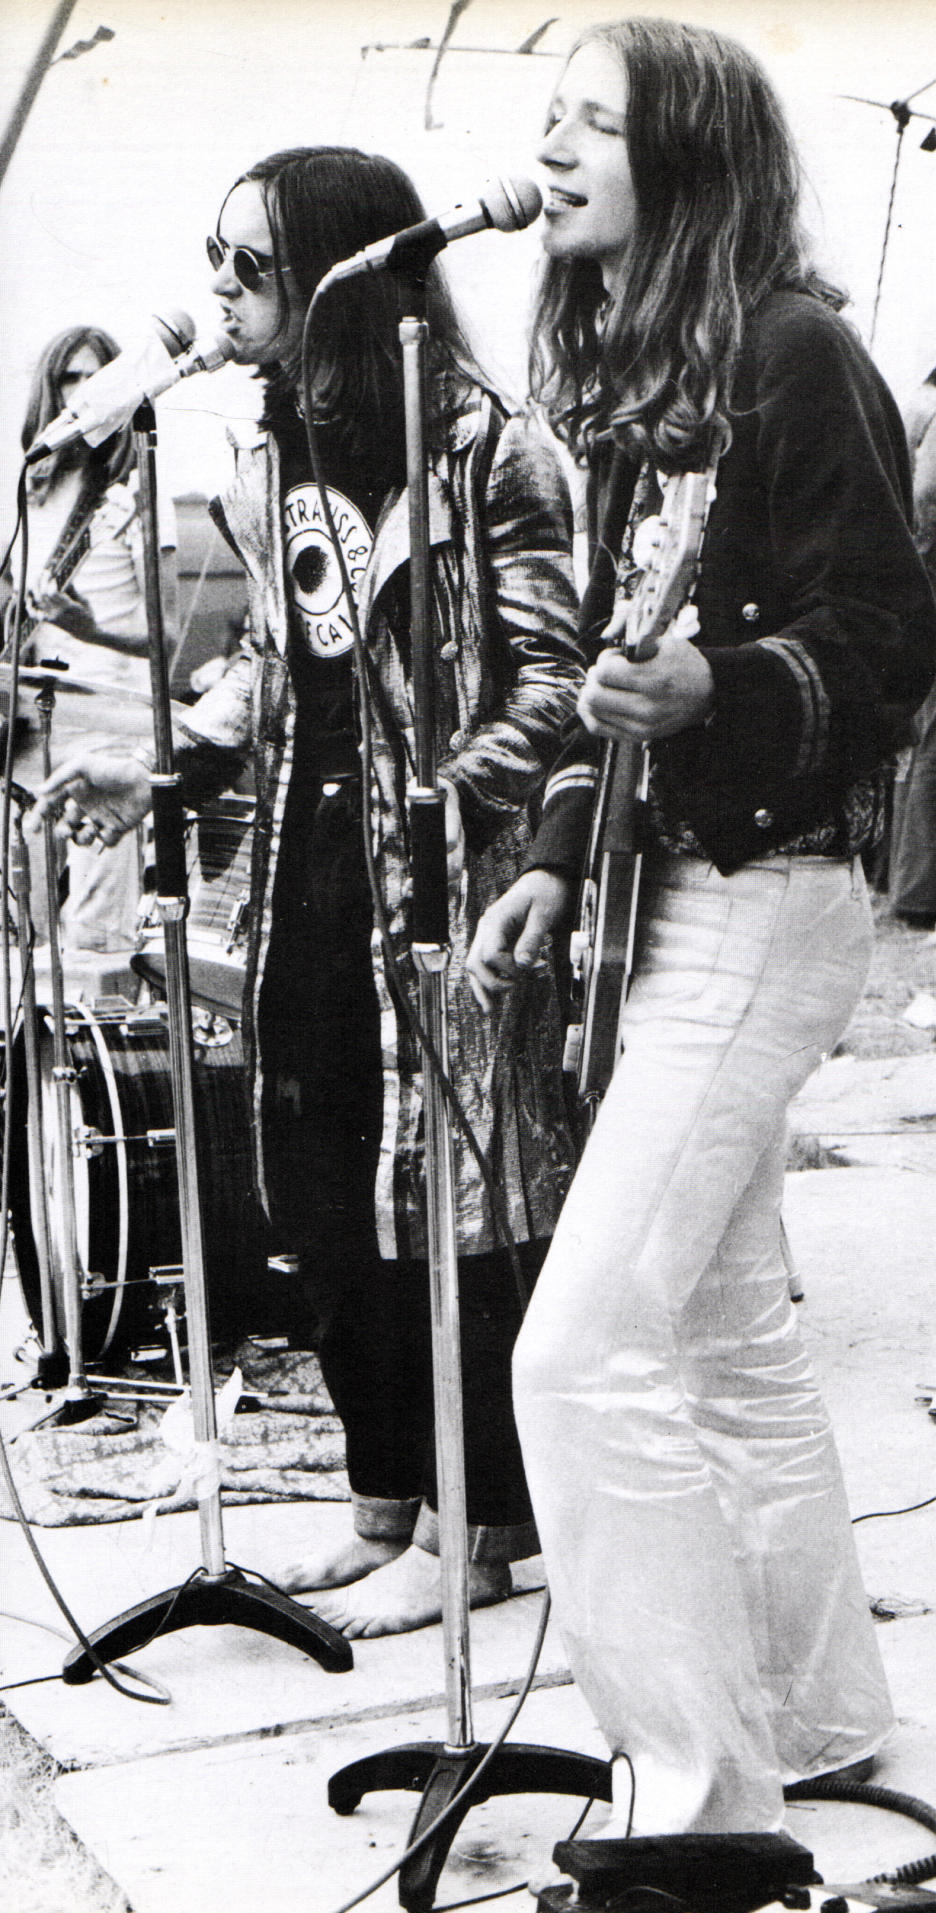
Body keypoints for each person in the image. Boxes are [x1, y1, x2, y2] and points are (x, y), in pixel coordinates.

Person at [466, 19, 936, 1834]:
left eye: (597, 119)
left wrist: (723, 688)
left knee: (580, 1348)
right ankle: (813, 1719)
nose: (558, 147)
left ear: (688, 154)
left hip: (767, 899)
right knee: (730, 1333)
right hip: (668, 892)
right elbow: (613, 683)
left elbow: (888, 649)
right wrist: (546, 844)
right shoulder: (635, 385)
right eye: (551, 117)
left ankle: (699, 1801)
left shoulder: (798, 352)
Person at [34, 147, 583, 1636]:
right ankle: (381, 1499)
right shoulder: (274, 456)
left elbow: (556, 678)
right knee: (322, 1190)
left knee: (448, 1204)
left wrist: (448, 796)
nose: (216, 294)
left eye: (247, 268)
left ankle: (483, 1529)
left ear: (345, 273)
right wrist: (176, 771)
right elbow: (282, 665)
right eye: (214, 262)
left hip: (446, 880)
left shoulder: (487, 448)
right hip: (304, 866)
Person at [6, 324, 179, 955]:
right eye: (69, 379)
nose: (81, 392)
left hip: (108, 728)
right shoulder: (31, 494)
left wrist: (89, 627)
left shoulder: (135, 494)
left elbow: (166, 637)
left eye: (95, 377)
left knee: (95, 930)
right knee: (26, 928)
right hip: (33, 728)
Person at [889, 338, 936, 928]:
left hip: (911, 587)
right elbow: (931, 494)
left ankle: (905, 876)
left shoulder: (913, 402)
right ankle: (923, 888)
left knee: (916, 732)